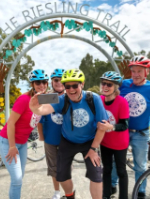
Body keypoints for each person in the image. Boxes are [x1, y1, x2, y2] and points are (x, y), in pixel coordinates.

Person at [29, 69, 108, 199]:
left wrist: (94, 149)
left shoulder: (93, 99)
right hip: (68, 141)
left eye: (75, 85)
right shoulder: (62, 99)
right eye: (68, 86)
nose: (71, 89)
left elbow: (102, 127)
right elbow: (43, 110)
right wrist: (34, 107)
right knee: (61, 174)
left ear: (82, 84)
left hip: (89, 141)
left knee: (96, 174)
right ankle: (70, 196)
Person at [116, 56, 150, 198]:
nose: (136, 74)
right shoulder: (123, 84)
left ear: (147, 71)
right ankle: (112, 186)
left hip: (141, 133)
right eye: (133, 71)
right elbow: (110, 96)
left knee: (141, 164)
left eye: (140, 71)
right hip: (122, 131)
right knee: (117, 161)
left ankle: (141, 191)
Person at [0, 69, 49, 199]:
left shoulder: (43, 100)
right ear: (32, 84)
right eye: (38, 82)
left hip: (22, 143)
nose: (42, 85)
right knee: (17, 179)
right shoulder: (24, 99)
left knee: (20, 178)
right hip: (8, 142)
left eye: (44, 82)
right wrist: (11, 146)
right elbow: (10, 123)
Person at [96, 71, 129, 199]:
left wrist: (111, 127)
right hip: (105, 142)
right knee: (107, 169)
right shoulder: (99, 100)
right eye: (103, 83)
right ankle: (106, 195)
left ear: (115, 87)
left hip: (120, 144)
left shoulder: (122, 102)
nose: (105, 86)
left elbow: (124, 125)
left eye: (109, 85)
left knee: (121, 171)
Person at [37, 68, 65, 199]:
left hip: (67, 139)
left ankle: (68, 191)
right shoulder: (46, 97)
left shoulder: (70, 96)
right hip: (50, 138)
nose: (59, 83)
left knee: (65, 167)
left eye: (61, 80)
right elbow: (39, 118)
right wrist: (41, 136)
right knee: (53, 167)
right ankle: (57, 192)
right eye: (56, 80)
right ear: (52, 82)